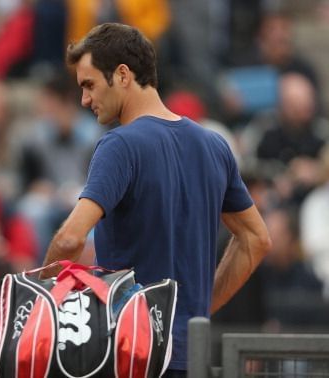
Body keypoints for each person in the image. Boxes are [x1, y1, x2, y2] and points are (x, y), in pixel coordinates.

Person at [39, 23, 272, 375]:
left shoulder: (118, 145)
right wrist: (198, 311)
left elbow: (70, 238)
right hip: (191, 356)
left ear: (122, 75)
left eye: (89, 85)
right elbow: (256, 239)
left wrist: (38, 306)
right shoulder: (215, 146)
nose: (85, 100)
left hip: (130, 353)